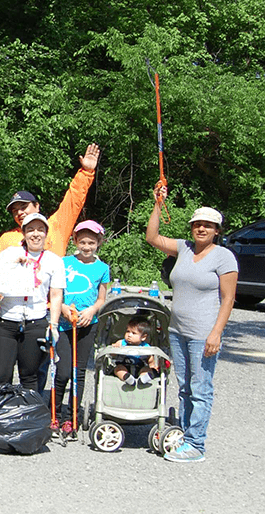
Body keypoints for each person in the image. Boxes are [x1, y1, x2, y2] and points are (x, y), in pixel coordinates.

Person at [145, 192, 237, 463]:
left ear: (217, 230)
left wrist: (216, 333)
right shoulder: (183, 248)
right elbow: (152, 238)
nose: (201, 228)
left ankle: (197, 445)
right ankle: (185, 435)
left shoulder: (224, 257)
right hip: (178, 331)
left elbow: (229, 298)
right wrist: (158, 205)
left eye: (208, 225)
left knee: (201, 388)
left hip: (203, 334)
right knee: (184, 387)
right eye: (197, 224)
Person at [0, 213, 65, 391]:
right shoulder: (12, 252)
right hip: (7, 320)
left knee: (29, 376)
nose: (35, 234)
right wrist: (12, 263)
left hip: (35, 321)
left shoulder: (55, 261)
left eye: (40, 230)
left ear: (46, 233)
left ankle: (28, 417)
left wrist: (54, 324)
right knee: (0, 376)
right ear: (24, 233)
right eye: (30, 230)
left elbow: (56, 295)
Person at [0, 143, 101, 259]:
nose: (19, 213)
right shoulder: (7, 239)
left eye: (23, 207)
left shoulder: (56, 226)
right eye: (15, 211)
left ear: (37, 206)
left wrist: (86, 172)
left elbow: (74, 199)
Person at [53, 220, 110, 433]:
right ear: (75, 241)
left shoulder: (102, 268)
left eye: (92, 242)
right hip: (65, 323)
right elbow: (55, 292)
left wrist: (92, 310)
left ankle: (72, 417)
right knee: (63, 371)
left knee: (80, 371)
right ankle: (55, 414)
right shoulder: (64, 262)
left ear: (98, 243)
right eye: (83, 242)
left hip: (87, 324)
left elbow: (101, 298)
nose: (87, 247)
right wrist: (65, 309)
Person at [110, 316, 159, 385]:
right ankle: (127, 378)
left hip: (140, 367)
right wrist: (114, 348)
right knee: (118, 369)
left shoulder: (145, 347)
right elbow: (113, 355)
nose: (129, 335)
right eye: (128, 331)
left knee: (146, 370)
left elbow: (150, 359)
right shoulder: (121, 343)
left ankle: (142, 379)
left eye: (133, 333)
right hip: (124, 366)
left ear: (143, 337)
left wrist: (152, 366)